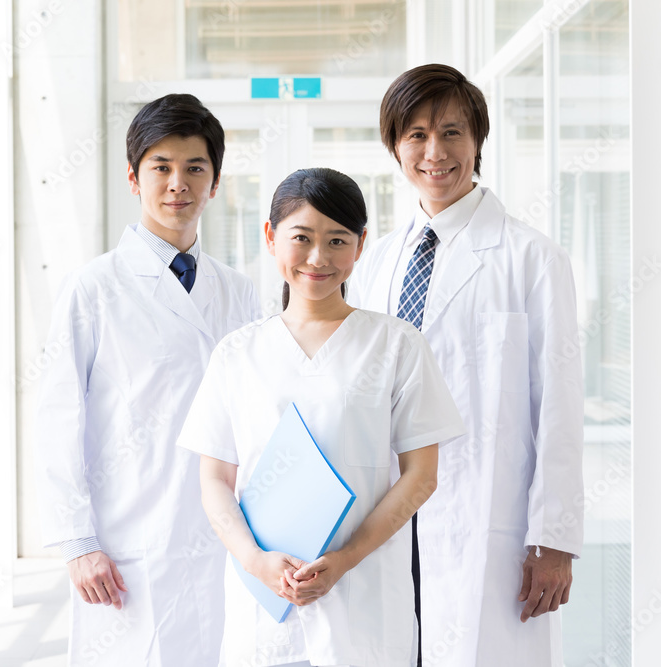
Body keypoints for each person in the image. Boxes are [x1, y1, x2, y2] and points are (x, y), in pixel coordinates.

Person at [178, 167, 465, 667]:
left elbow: (422, 476)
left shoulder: (396, 344)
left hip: (365, 595)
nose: (318, 258)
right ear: (270, 237)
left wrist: (344, 560)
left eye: (337, 240)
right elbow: (215, 480)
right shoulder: (237, 353)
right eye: (302, 238)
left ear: (360, 247)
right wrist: (255, 562)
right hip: (263, 599)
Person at [347, 64, 584, 667]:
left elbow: (558, 403)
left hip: (486, 519)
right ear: (394, 146)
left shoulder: (532, 258)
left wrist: (553, 539)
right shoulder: (376, 263)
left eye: (452, 132)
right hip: (388, 519)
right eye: (416, 135)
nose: (435, 153)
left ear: (478, 140)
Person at [35, 93, 262, 667]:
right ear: (134, 179)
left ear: (214, 182)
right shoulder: (94, 289)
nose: (178, 184)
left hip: (224, 540)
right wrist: (77, 543)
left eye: (195, 168)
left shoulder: (238, 292)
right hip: (128, 541)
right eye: (161, 168)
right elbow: (58, 419)